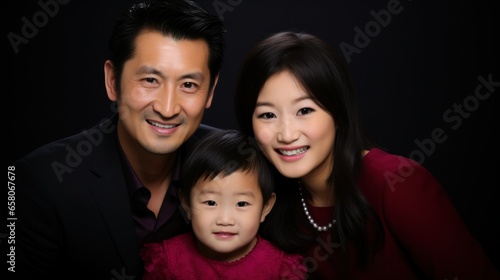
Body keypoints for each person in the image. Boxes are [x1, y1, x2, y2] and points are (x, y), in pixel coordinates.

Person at [233, 31, 500, 279]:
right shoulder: (263, 198)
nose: (287, 134)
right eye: (267, 115)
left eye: (304, 111)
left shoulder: (397, 184)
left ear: (338, 113)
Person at [14, 1, 226, 279]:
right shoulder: (39, 181)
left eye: (188, 85)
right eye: (150, 80)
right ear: (113, 80)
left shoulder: (237, 163)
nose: (168, 107)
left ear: (210, 92)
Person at [140, 129, 307, 279]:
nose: (225, 220)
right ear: (187, 204)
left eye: (241, 204)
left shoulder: (280, 269)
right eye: (211, 202)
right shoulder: (168, 261)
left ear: (265, 207)